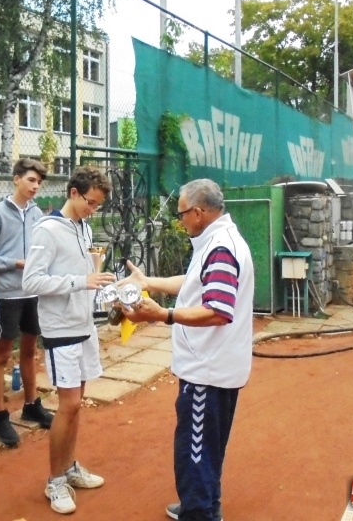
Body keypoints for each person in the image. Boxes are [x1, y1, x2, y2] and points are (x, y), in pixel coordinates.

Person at [119, 178, 254, 521]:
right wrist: (148, 283)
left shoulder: (220, 247)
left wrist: (163, 314)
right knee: (208, 448)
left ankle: (199, 512)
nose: (180, 223)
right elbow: (194, 281)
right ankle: (206, 505)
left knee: (194, 453)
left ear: (197, 212)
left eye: (181, 215)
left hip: (206, 372)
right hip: (216, 367)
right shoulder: (217, 241)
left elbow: (217, 310)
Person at [22, 165, 116, 515]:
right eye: (90, 202)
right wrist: (81, 282)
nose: (93, 209)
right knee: (69, 404)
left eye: (97, 205)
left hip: (84, 324)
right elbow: (31, 282)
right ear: (74, 193)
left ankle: (70, 466)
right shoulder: (47, 230)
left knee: (79, 403)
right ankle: (55, 479)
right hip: (60, 328)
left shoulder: (83, 227)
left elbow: (84, 277)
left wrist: (103, 288)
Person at [0, 158, 54, 446]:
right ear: (17, 179)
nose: (35, 187)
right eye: (31, 180)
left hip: (34, 292)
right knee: (2, 354)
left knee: (31, 350)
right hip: (7, 295)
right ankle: (0, 417)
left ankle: (31, 405)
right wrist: (16, 264)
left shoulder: (37, 214)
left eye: (39, 183)